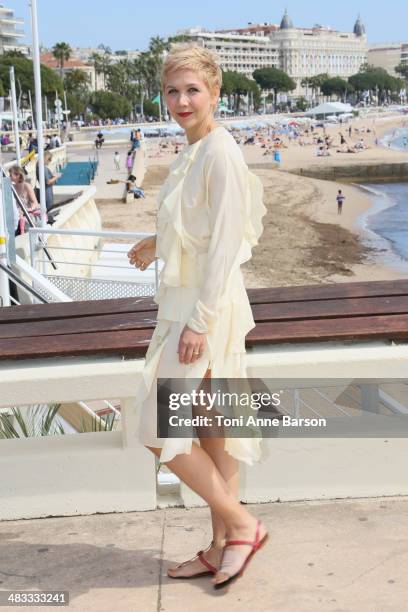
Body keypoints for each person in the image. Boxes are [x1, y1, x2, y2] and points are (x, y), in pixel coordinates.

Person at [127, 43, 269, 590]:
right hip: (187, 302)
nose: (182, 100)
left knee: (156, 427)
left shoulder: (220, 153)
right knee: (214, 429)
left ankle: (242, 526)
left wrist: (199, 323)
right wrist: (154, 242)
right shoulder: (193, 149)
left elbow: (227, 245)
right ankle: (221, 547)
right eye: (173, 90)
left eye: (193, 90)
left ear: (215, 93)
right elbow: (197, 226)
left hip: (205, 309)